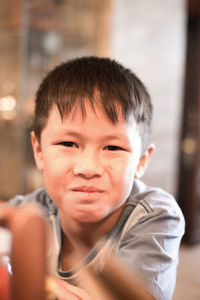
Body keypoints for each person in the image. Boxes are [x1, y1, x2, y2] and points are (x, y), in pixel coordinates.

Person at [5, 56, 184, 299]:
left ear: (141, 160)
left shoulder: (155, 216)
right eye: (68, 143)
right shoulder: (33, 211)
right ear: (38, 151)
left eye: (112, 148)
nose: (88, 168)